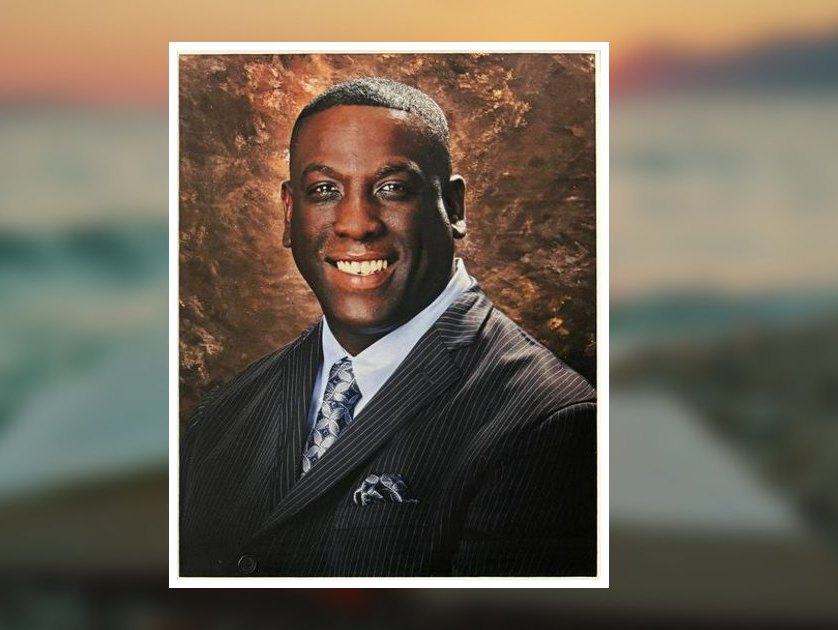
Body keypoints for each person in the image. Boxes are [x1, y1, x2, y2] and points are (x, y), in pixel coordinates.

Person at [179, 77, 596, 577]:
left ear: (454, 208)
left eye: (392, 188)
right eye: (325, 190)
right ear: (290, 213)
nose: (357, 224)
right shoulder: (220, 418)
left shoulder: (550, 422)